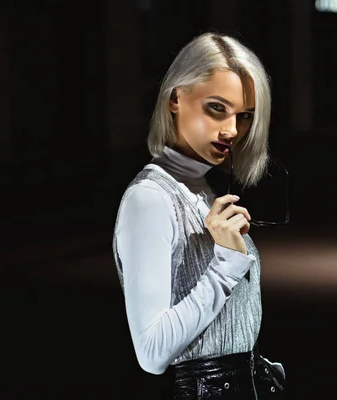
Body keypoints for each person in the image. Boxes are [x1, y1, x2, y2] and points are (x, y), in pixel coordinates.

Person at [112, 32, 285, 399]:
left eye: (244, 116)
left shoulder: (204, 189)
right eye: (217, 108)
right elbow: (152, 353)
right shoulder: (149, 199)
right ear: (176, 98)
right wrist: (225, 266)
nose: (233, 131)